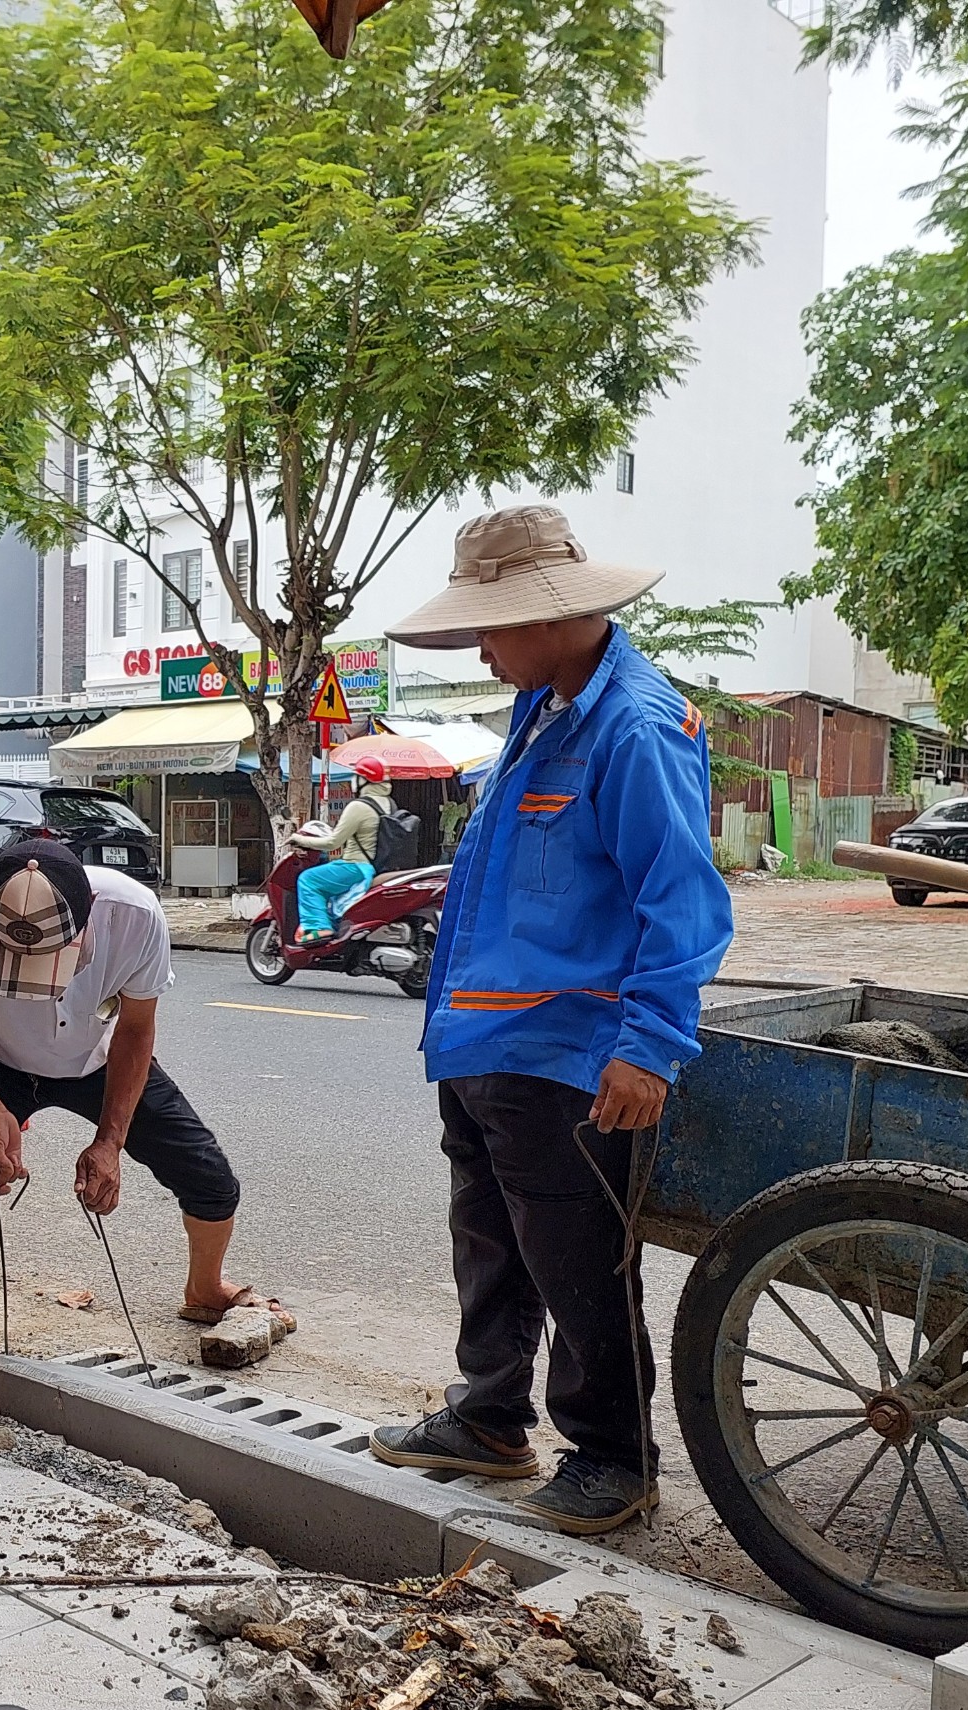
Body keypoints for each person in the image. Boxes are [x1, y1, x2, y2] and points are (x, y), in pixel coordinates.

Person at [368, 506, 733, 1535]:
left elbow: (684, 902)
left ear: (553, 614)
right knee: (490, 1243)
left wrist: (649, 1045)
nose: (480, 648)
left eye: (492, 625)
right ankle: (488, 1417)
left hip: (568, 1053)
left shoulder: (634, 724)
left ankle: (613, 1458)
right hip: (484, 1045)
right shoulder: (541, 709)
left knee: (577, 1264)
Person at [0, 839, 271, 1420]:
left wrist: (110, 1141)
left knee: (206, 1173)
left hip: (96, 1057)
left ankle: (205, 1290)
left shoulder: (135, 915)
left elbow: (134, 1029)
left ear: (87, 918)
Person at [293, 773, 392, 941]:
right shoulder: (389, 804)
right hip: (374, 868)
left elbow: (333, 842)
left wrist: (299, 839)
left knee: (308, 879)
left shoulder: (359, 806)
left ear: (363, 780)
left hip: (355, 866)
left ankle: (319, 927)